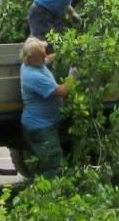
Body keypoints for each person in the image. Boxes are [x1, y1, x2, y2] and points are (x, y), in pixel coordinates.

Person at [19, 36, 78, 178]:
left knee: (43, 162)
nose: (44, 56)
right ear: (30, 58)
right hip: (41, 127)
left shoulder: (32, 63)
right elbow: (61, 92)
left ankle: (42, 192)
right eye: (41, 54)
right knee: (52, 161)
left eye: (44, 52)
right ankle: (52, 195)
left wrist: (65, 52)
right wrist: (73, 77)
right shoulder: (33, 76)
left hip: (42, 124)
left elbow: (48, 59)